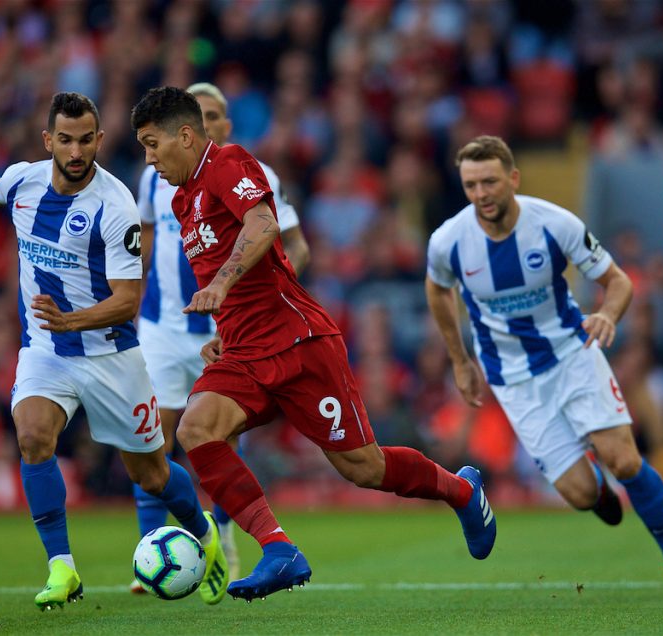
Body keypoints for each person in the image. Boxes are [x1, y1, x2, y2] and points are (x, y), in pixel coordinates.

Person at [130, 86, 496, 602]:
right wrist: (220, 330)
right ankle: (278, 549)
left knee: (362, 468)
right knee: (196, 429)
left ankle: (462, 490)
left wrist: (220, 285)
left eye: (152, 144)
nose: (148, 158)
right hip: (242, 350)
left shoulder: (229, 163)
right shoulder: (183, 198)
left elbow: (263, 224)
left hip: (298, 341)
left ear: (185, 136)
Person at [0, 92, 229, 611]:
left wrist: (73, 319)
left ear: (99, 140)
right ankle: (62, 567)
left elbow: (127, 299)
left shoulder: (116, 205)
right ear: (49, 141)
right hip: (46, 349)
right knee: (34, 436)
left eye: (86, 139)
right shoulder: (27, 178)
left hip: (111, 356)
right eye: (65, 140)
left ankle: (205, 532)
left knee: (149, 474)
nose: (76, 150)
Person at [425, 135, 663, 598]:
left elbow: (616, 282)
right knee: (578, 495)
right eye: (471, 185)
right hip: (512, 380)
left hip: (572, 354)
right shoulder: (449, 240)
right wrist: (460, 359)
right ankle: (596, 488)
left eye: (490, 181)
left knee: (625, 458)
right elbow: (437, 290)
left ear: (512, 179)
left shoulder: (555, 225)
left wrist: (607, 315)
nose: (481, 194)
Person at [131, 82, 310, 589]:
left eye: (211, 115)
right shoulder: (155, 180)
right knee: (152, 441)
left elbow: (288, 241)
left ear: (221, 125)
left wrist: (265, 304)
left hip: (229, 326)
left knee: (217, 439)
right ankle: (153, 552)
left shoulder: (253, 172)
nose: (201, 124)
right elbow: (147, 242)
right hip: (164, 324)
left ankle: (224, 534)